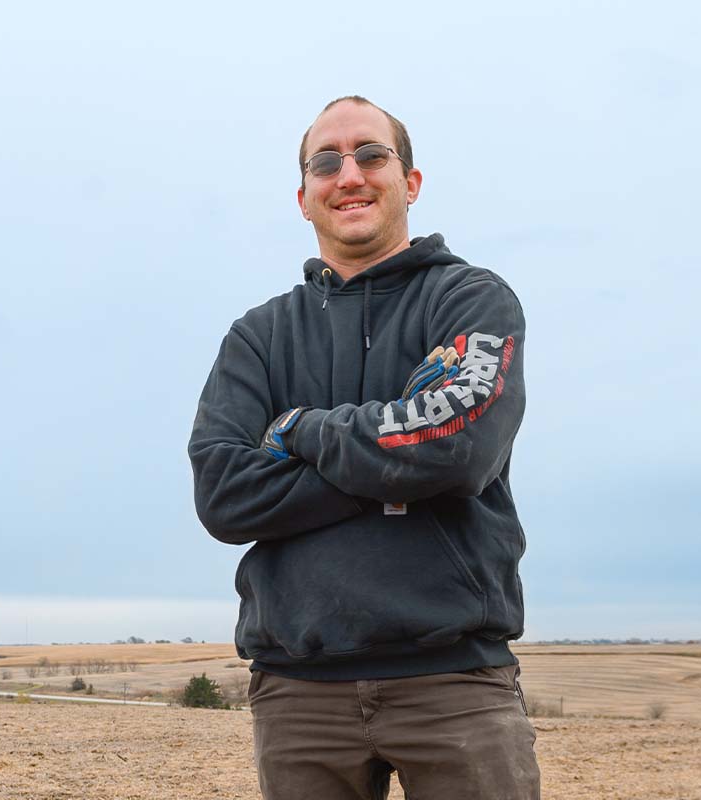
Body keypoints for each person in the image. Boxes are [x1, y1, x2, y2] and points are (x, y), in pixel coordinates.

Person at [188, 96, 541, 799]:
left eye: (370, 155)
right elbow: (225, 497)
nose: (347, 174)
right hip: (298, 693)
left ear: (409, 182)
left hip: (455, 682)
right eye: (326, 162)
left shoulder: (470, 301)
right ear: (304, 197)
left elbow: (461, 449)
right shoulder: (258, 338)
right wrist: (398, 463)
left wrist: (301, 432)